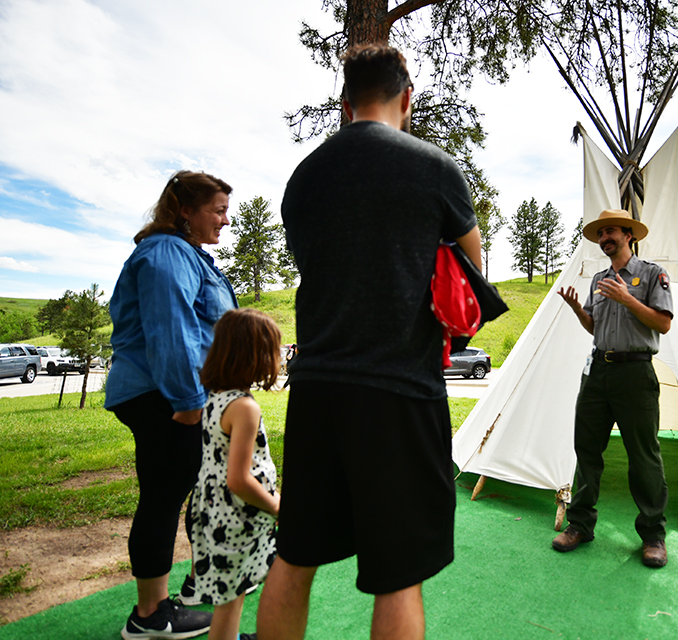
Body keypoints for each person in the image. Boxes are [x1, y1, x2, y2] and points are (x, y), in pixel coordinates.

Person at [256, 43, 481, 640]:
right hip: (400, 391)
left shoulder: (303, 177)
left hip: (317, 388)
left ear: (344, 102)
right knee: (399, 573)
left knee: (295, 554)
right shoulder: (435, 167)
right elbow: (471, 266)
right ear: (407, 97)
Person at [105, 170, 238, 640]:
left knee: (199, 491)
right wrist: (188, 402)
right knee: (163, 498)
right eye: (218, 210)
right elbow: (170, 329)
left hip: (179, 396)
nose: (226, 219)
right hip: (163, 397)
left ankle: (194, 588)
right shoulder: (166, 253)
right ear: (185, 211)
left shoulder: (191, 256)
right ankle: (151, 616)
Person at [552, 208, 674, 568]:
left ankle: (653, 535)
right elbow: (595, 327)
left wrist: (628, 299)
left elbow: (663, 324)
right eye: (601, 233)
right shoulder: (598, 280)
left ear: (629, 235)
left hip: (635, 374)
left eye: (612, 232)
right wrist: (578, 309)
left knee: (643, 456)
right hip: (597, 374)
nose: (605, 238)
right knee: (586, 449)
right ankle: (580, 526)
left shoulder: (652, 275)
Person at [190, 308, 282, 640]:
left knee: (233, 591)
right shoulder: (245, 407)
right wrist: (274, 505)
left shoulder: (216, 398)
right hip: (237, 516)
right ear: (255, 356)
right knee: (230, 598)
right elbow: (239, 479)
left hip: (215, 511)